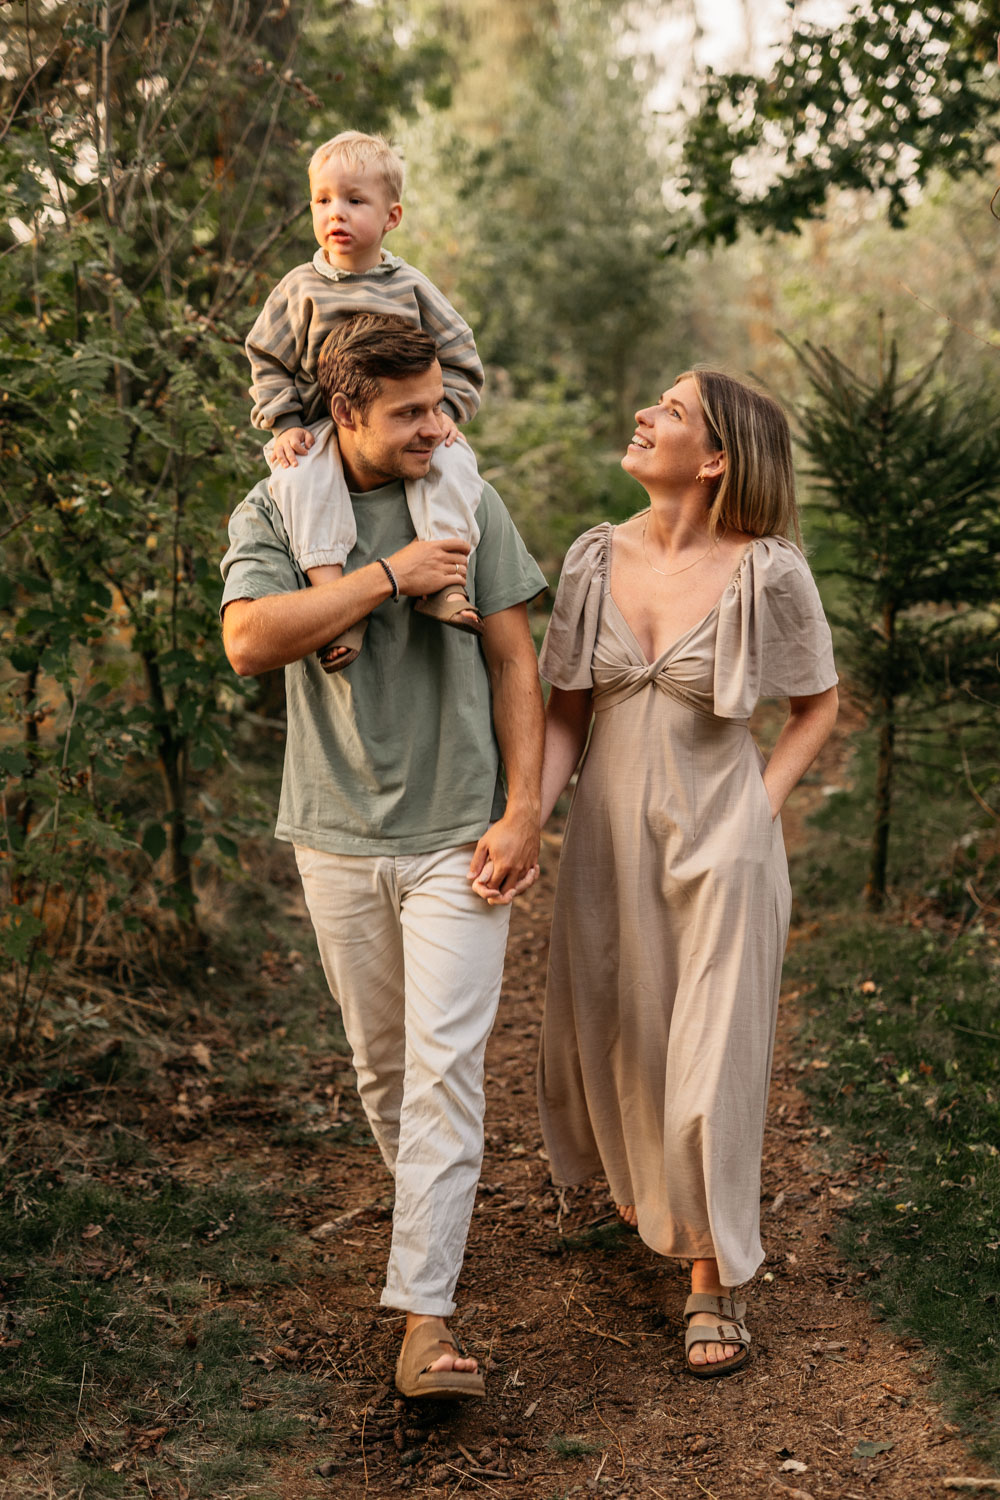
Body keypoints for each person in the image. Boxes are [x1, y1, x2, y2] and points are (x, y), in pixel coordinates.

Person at [221, 313, 546, 1399]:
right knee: (383, 1068)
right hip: (336, 832)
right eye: (409, 412)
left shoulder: (466, 492)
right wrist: (386, 578)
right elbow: (250, 641)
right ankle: (432, 1232)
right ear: (346, 412)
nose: (435, 425)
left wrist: (524, 806)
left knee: (445, 1069)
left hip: (461, 827)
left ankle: (426, 1319)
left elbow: (513, 659)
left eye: (439, 403)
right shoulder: (277, 502)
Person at [536, 368, 838, 1378]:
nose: (644, 416)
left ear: (715, 458)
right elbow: (565, 713)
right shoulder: (592, 560)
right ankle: (652, 1194)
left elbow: (814, 708)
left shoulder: (769, 573)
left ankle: (711, 1281)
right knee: (624, 1033)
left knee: (713, 1055)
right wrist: (522, 820)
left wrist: (757, 808)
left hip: (724, 844)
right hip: (607, 839)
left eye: (670, 411)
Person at [245, 130, 486, 671]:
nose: (337, 213)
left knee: (454, 466)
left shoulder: (409, 286)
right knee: (298, 480)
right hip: (322, 427)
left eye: (355, 201)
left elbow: (459, 351)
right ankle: (339, 600)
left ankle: (444, 586)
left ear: (391, 216)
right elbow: (267, 356)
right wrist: (284, 422)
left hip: (401, 428)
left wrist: (443, 413)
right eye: (323, 200)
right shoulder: (299, 288)